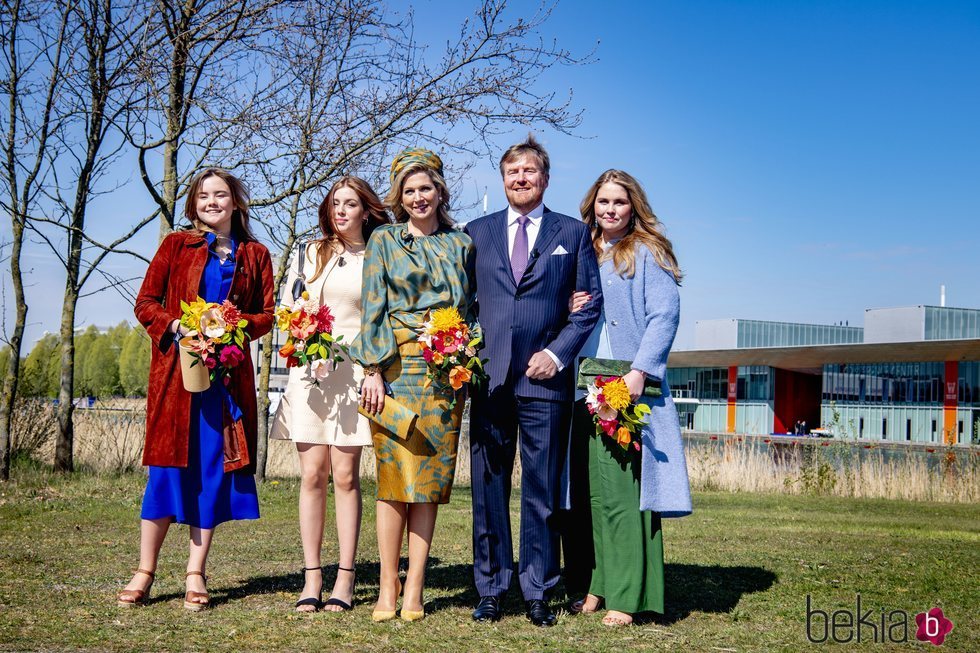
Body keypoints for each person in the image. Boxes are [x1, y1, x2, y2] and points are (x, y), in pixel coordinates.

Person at [119, 168, 274, 610]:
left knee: (209, 476)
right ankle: (145, 571)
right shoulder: (175, 245)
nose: (211, 201)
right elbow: (145, 302)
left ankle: (195, 573)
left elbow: (267, 313)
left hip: (224, 385)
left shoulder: (256, 255)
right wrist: (180, 325)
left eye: (220, 194)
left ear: (235, 202)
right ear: (193, 205)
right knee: (165, 475)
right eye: (203, 195)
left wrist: (232, 327)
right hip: (176, 379)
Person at [464, 135, 603, 627]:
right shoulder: (475, 232)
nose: (520, 179)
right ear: (502, 180)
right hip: (490, 380)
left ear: (545, 179)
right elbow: (461, 305)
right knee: (488, 487)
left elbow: (589, 307)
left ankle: (539, 589)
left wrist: (556, 354)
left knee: (541, 489)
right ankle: (492, 587)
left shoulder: (573, 233)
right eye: (512, 172)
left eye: (529, 172)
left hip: (545, 383)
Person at [352, 148, 477, 622]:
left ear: (440, 191)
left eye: (426, 188)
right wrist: (371, 371)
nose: (419, 197)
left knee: (428, 484)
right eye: (410, 190)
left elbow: (472, 310)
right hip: (394, 372)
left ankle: (415, 592)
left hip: (445, 374)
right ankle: (387, 587)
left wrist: (462, 354)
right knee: (393, 482)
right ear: (398, 196)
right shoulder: (383, 240)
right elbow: (373, 307)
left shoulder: (461, 244)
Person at [568, 169, 692, 626]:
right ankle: (600, 581)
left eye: (619, 202)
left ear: (633, 206)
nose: (610, 210)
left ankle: (628, 593)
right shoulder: (584, 250)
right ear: (592, 206)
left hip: (624, 384)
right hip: (584, 383)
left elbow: (664, 316)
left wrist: (641, 371)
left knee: (624, 493)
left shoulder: (646, 252)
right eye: (603, 202)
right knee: (592, 495)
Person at [269, 177, 391, 612]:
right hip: (309, 372)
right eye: (335, 203)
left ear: (366, 210)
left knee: (345, 476)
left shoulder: (380, 254)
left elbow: (382, 320)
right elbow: (288, 305)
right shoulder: (311, 252)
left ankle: (346, 577)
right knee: (312, 475)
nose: (341, 211)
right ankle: (311, 577)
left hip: (354, 373)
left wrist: (374, 368)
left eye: (351, 203)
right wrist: (297, 328)